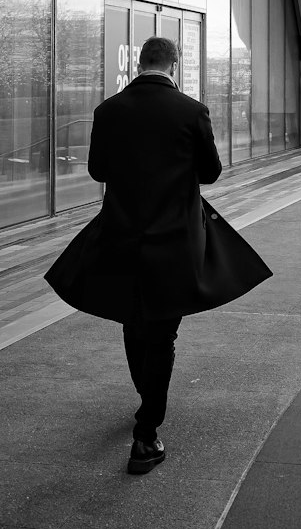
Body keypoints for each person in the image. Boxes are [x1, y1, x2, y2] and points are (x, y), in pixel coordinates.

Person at [45, 36, 271, 476]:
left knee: (133, 319)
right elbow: (210, 172)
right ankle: (146, 433)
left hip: (122, 236)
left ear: (140, 63)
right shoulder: (191, 112)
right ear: (175, 63)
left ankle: (146, 402)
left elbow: (97, 171)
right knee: (163, 332)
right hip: (176, 240)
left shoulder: (108, 111)